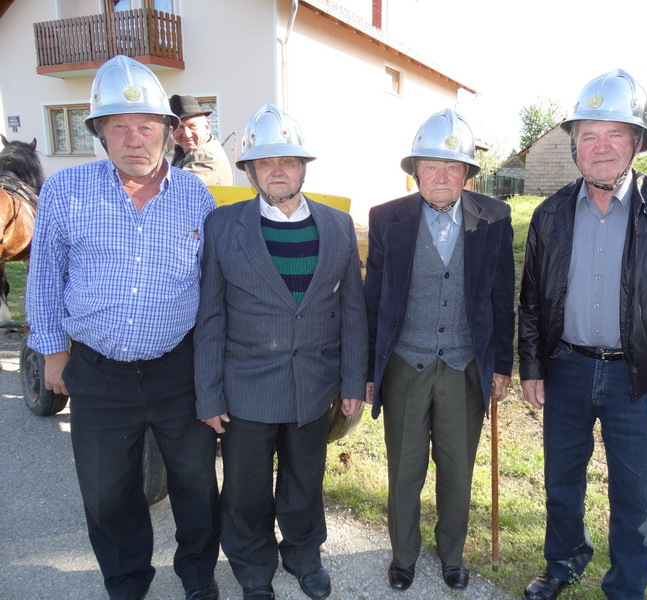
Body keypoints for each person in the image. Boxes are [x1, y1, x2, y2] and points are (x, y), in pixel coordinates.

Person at [518, 69, 647, 600]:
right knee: (562, 482)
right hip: (566, 370)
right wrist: (532, 366)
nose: (601, 147)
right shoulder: (550, 214)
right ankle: (562, 563)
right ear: (575, 146)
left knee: (634, 496)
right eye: (589, 135)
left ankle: (627, 588)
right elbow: (532, 301)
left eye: (615, 134)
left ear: (636, 142)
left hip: (640, 380)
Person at [25, 55, 220, 600]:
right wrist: (53, 353)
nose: (134, 139)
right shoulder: (66, 191)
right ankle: (127, 582)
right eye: (119, 126)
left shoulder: (196, 197)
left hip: (178, 369)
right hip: (98, 371)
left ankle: (198, 577)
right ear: (100, 132)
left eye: (146, 127)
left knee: (196, 483)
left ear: (167, 132)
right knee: (107, 491)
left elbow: (213, 288)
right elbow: (44, 275)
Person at [194, 104, 367, 600]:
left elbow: (353, 311)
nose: (276, 170)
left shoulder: (338, 225)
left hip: (314, 385)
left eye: (287, 161)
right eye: (264, 162)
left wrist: (353, 381)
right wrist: (209, 394)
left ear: (303, 167)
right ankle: (253, 568)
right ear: (249, 171)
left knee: (305, 482)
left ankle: (303, 554)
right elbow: (210, 316)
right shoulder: (223, 226)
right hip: (246, 389)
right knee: (245, 489)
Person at [364, 108, 516, 592]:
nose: (442, 176)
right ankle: (404, 556)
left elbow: (502, 298)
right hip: (404, 367)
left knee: (457, 469)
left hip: (464, 366)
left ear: (468, 173)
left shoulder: (495, 218)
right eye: (431, 166)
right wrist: (368, 370)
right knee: (404, 470)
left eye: (453, 167)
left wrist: (502, 365)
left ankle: (452, 554)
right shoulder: (386, 218)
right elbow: (373, 300)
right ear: (415, 171)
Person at [169, 94, 234, 186]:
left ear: (207, 126)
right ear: (172, 131)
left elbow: (176, 188)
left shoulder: (205, 156)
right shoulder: (184, 152)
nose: (187, 135)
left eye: (193, 126)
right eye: (180, 127)